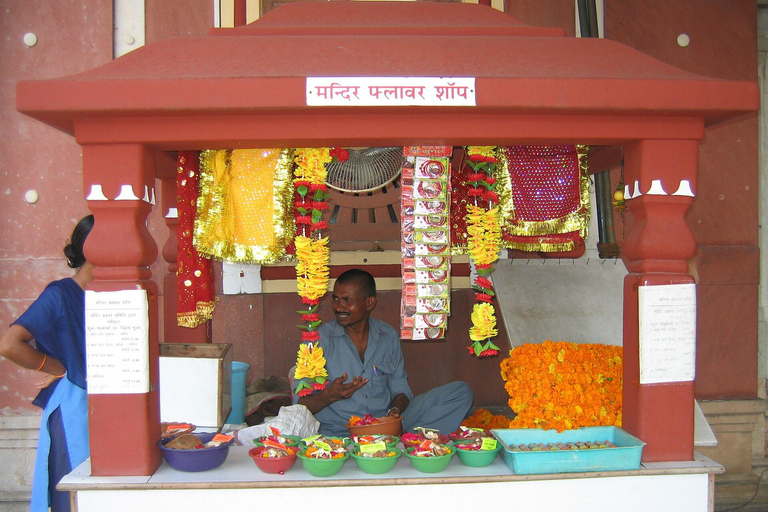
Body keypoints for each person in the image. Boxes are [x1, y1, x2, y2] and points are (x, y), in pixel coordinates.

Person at [296, 268, 473, 437]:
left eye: (347, 300)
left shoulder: (387, 336)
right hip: (339, 431)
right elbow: (299, 404)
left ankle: (404, 439)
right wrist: (328, 396)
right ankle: (395, 442)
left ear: (369, 302)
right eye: (335, 299)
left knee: (460, 392)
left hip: (384, 426)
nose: (338, 307)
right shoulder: (317, 340)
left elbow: (400, 387)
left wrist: (393, 413)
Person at [0, 215, 93, 512]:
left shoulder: (115, 292)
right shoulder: (60, 294)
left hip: (105, 408)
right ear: (91, 248)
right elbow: (9, 344)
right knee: (75, 497)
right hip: (73, 409)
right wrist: (57, 368)